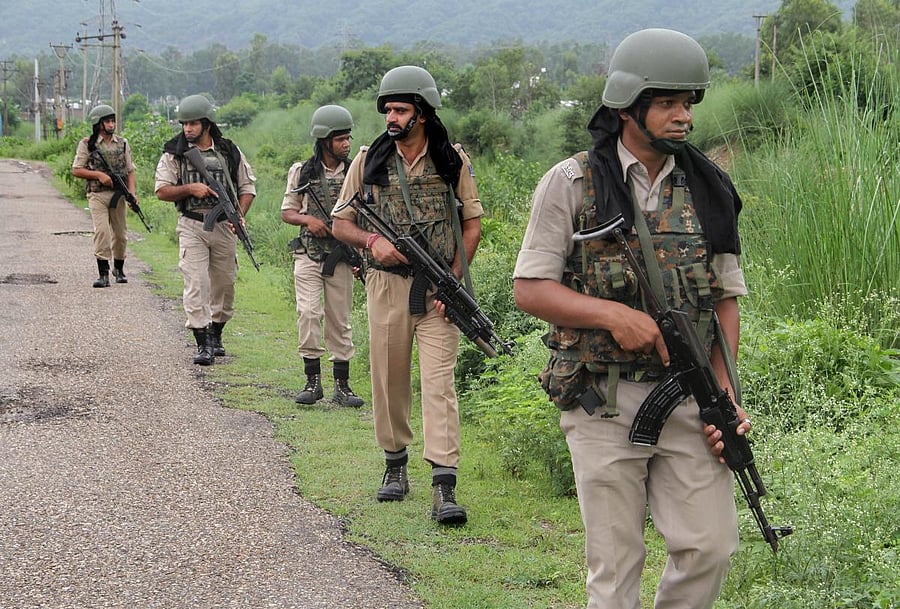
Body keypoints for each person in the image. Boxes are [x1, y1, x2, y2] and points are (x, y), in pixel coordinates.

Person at [512, 29, 751, 608]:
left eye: (688, 103)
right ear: (627, 108)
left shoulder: (710, 187)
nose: (683, 117)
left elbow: (724, 299)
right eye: (667, 103)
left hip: (687, 396)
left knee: (710, 546)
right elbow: (530, 288)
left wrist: (725, 393)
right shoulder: (571, 182)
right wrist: (614, 316)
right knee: (615, 570)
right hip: (604, 399)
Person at [332, 66, 483, 525]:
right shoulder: (368, 161)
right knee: (388, 379)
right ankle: (394, 464)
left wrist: (454, 280)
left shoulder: (451, 159)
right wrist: (372, 242)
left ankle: (444, 484)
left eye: (400, 110)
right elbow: (341, 222)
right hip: (385, 287)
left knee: (440, 385)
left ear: (422, 112)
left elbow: (472, 223)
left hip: (438, 292)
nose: (391, 118)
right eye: (388, 110)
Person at [154, 94, 256, 366]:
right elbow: (162, 191)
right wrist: (190, 189)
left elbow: (247, 188)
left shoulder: (229, 151)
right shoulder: (175, 153)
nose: (187, 129)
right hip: (191, 225)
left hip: (224, 227)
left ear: (206, 123)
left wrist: (239, 216)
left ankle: (216, 333)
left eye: (193, 123)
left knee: (225, 284)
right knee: (196, 283)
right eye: (184, 123)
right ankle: (202, 343)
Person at [281, 104, 364, 407]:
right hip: (308, 254)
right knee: (308, 313)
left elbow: (365, 216)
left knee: (340, 320)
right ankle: (312, 381)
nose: (346, 144)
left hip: (341, 256)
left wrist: (360, 254)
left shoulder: (356, 171)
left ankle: (342, 386)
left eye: (348, 138)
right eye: (340, 139)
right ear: (325, 140)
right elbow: (287, 212)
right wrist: (309, 221)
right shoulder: (302, 172)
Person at [72, 104, 138, 287]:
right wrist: (98, 175)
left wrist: (132, 194)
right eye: (107, 121)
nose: (111, 124)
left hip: (118, 195)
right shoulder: (87, 144)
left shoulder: (122, 143)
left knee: (121, 234)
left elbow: (130, 171)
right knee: (102, 232)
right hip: (97, 194)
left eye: (112, 121)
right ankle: (103, 274)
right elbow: (77, 170)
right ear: (98, 124)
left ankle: (119, 268)